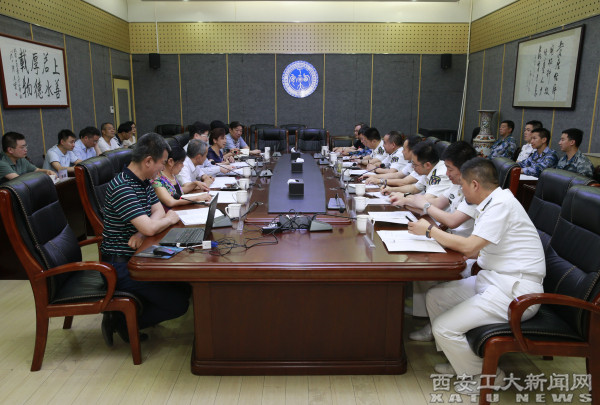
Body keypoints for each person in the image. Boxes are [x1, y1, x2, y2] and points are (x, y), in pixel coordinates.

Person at [408, 157, 545, 394]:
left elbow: (470, 247)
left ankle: (488, 377)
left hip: (516, 293)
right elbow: (475, 250)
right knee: (436, 297)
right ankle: (460, 363)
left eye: (462, 185)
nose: (460, 190)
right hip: (495, 280)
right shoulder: (492, 203)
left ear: (474, 184)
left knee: (444, 327)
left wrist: (429, 231)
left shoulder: (501, 205)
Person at [100, 132, 190, 344]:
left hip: (140, 253)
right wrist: (165, 220)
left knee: (186, 285)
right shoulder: (122, 186)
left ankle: (133, 312)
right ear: (148, 161)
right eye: (161, 163)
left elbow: (156, 212)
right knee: (179, 304)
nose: (163, 168)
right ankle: (122, 322)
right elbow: (156, 221)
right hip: (121, 265)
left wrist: (143, 230)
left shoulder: (144, 181)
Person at [400, 141, 478, 341]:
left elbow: (452, 220)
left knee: (425, 259)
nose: (446, 173)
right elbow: (437, 203)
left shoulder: (474, 191)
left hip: (462, 249)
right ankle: (424, 313)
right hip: (451, 240)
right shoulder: (456, 183)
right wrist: (408, 201)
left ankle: (434, 323)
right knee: (417, 252)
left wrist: (425, 211)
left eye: (450, 169)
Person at [386, 141, 452, 201]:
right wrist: (391, 190)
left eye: (415, 164)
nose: (412, 167)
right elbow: (414, 188)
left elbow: (426, 200)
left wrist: (403, 196)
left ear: (427, 165)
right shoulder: (429, 169)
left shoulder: (441, 175)